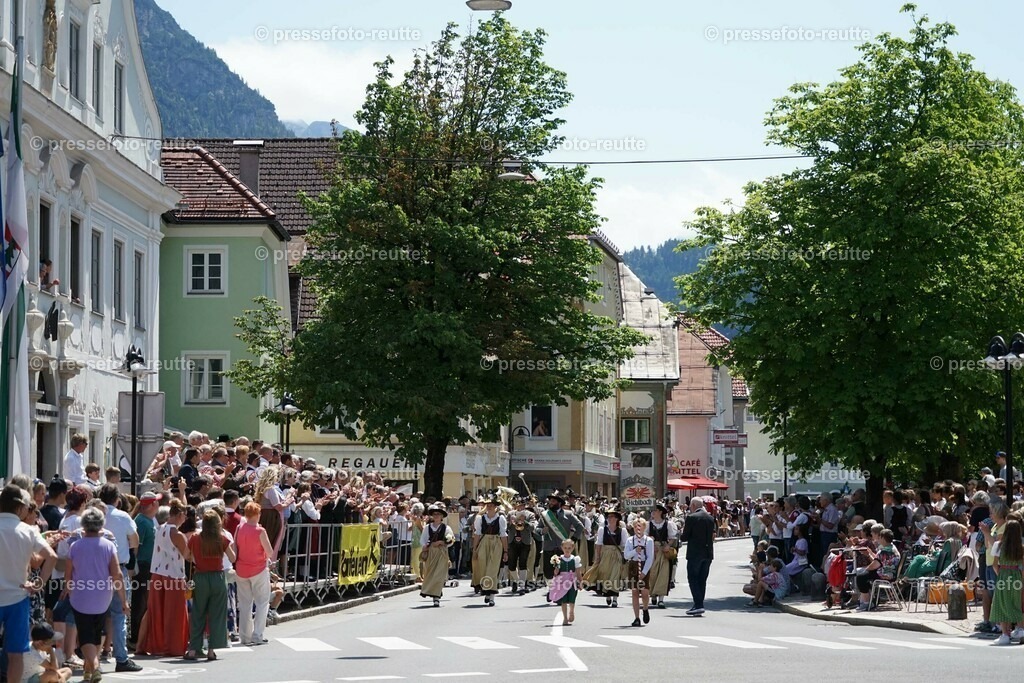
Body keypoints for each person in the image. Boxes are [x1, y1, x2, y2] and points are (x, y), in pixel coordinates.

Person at [1, 485, 58, 683]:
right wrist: (39, 583)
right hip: (17, 598)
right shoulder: (27, 530)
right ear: (20, 508)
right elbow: (51, 556)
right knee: (16, 653)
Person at [63, 506, 125, 683]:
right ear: (101, 524)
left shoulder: (75, 546)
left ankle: (94, 665)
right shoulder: (109, 546)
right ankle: (89, 670)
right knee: (96, 633)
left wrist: (67, 588)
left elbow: (68, 574)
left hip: (80, 595)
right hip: (103, 596)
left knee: (85, 634)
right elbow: (117, 574)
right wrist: (123, 599)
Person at [136, 499, 190, 657]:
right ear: (180, 515)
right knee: (174, 612)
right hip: (173, 575)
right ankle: (171, 646)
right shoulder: (177, 533)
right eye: (184, 516)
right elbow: (187, 555)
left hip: (157, 573)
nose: (185, 519)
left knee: (154, 611)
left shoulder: (159, 528)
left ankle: (142, 645)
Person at [185, 509, 236, 661]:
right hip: (218, 578)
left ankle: (194, 649)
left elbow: (186, 555)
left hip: (200, 577)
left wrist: (197, 559)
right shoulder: (221, 538)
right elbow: (232, 558)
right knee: (216, 615)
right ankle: (211, 650)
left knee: (198, 613)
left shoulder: (195, 538)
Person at [234, 502, 273, 646]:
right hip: (258, 569)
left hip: (241, 569)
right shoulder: (260, 531)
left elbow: (235, 548)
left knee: (244, 604)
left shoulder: (239, 528)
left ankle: (244, 636)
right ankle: (257, 635)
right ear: (257, 514)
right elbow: (269, 551)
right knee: (262, 602)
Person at [130, 492, 159, 648]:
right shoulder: (142, 522)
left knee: (144, 602)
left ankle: (140, 636)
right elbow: (135, 547)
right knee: (140, 602)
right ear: (152, 505)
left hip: (147, 566)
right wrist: (134, 568)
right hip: (142, 567)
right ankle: (135, 638)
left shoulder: (147, 521)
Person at [990, 518, 1024, 645]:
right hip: (1016, 575)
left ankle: (1005, 634)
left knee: (1001, 603)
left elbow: (994, 565)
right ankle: (1020, 628)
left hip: (1003, 574)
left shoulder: (998, 545)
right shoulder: (1021, 548)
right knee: (1016, 603)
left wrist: (1001, 575)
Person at [680, 497, 716, 616]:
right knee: (702, 580)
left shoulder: (691, 518)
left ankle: (698, 604)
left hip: (695, 553)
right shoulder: (710, 518)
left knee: (693, 578)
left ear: (694, 505)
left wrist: (680, 533)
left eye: (690, 506)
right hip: (708, 553)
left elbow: (684, 537)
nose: (690, 508)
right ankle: (699, 605)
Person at [586, 506, 627, 607]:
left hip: (616, 554)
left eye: (612, 516)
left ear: (617, 518)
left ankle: (615, 598)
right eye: (608, 516)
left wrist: (624, 556)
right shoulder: (602, 530)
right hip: (605, 554)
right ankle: (608, 595)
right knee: (605, 575)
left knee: (615, 575)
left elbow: (624, 544)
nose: (610, 518)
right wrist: (598, 557)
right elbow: (599, 544)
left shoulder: (622, 531)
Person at [472, 497, 507, 607]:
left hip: (496, 543)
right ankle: (486, 590)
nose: (490, 506)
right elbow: (477, 534)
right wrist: (474, 549)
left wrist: (506, 551)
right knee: (483, 567)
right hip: (484, 542)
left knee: (492, 569)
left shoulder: (500, 518)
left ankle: (491, 595)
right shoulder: (480, 518)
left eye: (492, 504)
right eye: (488, 504)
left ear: (496, 506)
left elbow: (503, 535)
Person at [419, 504, 455, 607]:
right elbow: (423, 540)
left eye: (438, 514)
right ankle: (432, 591)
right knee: (430, 573)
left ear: (441, 516)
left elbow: (451, 540)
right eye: (434, 514)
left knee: (439, 574)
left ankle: (436, 596)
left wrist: (442, 542)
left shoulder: (446, 528)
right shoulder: (427, 528)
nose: (436, 516)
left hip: (442, 553)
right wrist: (427, 546)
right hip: (431, 553)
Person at [624, 517, 654, 627]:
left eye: (640, 526)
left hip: (644, 564)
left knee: (645, 592)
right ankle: (636, 617)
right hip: (633, 566)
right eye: (636, 526)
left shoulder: (649, 541)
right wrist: (634, 551)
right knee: (635, 592)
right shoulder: (630, 540)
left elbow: (650, 557)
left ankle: (645, 608)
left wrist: (644, 572)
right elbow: (626, 555)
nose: (638, 529)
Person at [647, 503, 676, 608]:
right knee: (652, 573)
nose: (652, 512)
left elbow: (672, 537)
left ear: (660, 512)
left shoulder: (668, 524)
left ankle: (661, 599)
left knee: (663, 574)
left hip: (663, 551)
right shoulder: (648, 524)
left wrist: (668, 545)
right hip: (652, 551)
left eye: (654, 510)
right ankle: (653, 594)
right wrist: (650, 542)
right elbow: (644, 538)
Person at [548, 538, 581, 625]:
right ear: (562, 548)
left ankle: (571, 612)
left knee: (572, 599)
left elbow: (578, 572)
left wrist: (580, 582)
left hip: (572, 581)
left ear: (572, 548)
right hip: (562, 582)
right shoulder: (559, 559)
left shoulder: (575, 559)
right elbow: (556, 572)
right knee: (564, 600)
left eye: (569, 548)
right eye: (565, 548)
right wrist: (556, 569)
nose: (567, 550)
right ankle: (565, 617)